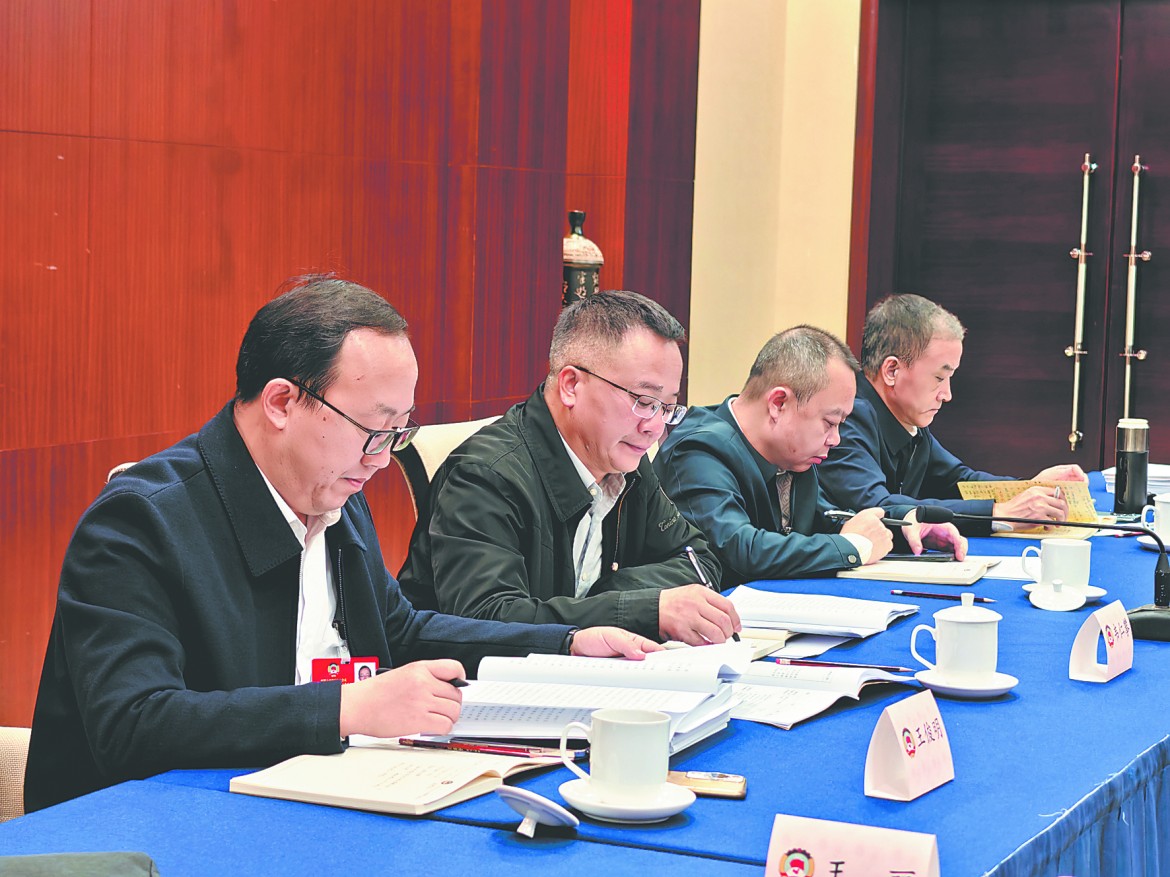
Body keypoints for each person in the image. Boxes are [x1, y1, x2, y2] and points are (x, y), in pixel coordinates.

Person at [25, 276, 657, 812]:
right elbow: (134, 724)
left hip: (309, 798)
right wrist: (345, 708)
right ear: (282, 402)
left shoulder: (332, 491)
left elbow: (399, 631)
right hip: (156, 826)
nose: (382, 459)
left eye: (399, 432)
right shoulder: (140, 522)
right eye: (373, 430)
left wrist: (566, 643)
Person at [398, 290, 740, 646]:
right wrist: (636, 609)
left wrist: (609, 597)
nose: (655, 427)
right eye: (643, 401)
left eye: (667, 407)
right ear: (571, 385)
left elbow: (697, 560)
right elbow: (487, 619)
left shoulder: (628, 466)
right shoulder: (484, 477)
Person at [654, 326, 966, 589]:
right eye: (829, 422)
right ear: (778, 403)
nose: (835, 439)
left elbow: (830, 521)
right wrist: (854, 546)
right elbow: (740, 549)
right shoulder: (698, 449)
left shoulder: (792, 456)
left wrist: (902, 526)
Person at [817, 294, 1088, 533]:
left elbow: (960, 481)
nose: (946, 394)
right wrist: (1001, 513)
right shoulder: (846, 418)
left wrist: (1031, 488)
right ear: (892, 371)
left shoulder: (907, 418)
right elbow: (877, 508)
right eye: (938, 378)